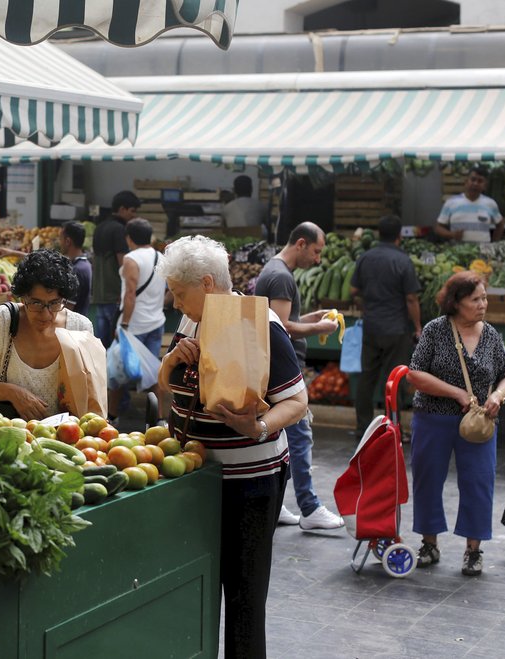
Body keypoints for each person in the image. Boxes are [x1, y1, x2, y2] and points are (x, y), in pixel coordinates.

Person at [158, 235, 307, 659]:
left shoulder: (261, 325)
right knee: (197, 585)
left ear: (207, 283)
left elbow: (297, 402)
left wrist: (257, 426)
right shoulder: (190, 322)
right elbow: (166, 389)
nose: (174, 302)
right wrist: (170, 362)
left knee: (243, 596)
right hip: (194, 478)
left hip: (251, 485)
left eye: (179, 292)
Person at [406, 271, 505, 576]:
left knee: (479, 483)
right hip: (433, 418)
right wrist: (455, 392)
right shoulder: (435, 330)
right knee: (428, 480)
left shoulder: (491, 335)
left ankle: (473, 550)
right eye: (475, 299)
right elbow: (415, 373)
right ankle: (429, 543)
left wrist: (497, 395)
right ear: (456, 303)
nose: (483, 304)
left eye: (484, 298)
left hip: (479, 421)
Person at [254, 222, 343, 530]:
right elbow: (282, 328)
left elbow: (283, 321)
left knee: (283, 437)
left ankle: (276, 505)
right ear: (301, 243)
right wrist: (320, 329)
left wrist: (308, 318)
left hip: (274, 370)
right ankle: (309, 508)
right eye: (316, 251)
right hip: (283, 372)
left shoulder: (275, 272)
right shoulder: (280, 276)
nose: (318, 259)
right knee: (299, 435)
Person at [0, 250, 94, 420]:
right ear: (22, 298)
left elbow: (90, 393)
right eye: (36, 303)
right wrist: (12, 392)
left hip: (61, 437)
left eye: (54, 303)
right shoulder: (3, 321)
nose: (46, 314)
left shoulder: (80, 329)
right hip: (4, 435)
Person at [350, 215, 423, 438]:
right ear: (399, 236)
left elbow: (353, 292)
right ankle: (393, 429)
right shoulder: (403, 261)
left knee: (366, 378)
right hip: (396, 329)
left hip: (371, 327)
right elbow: (411, 298)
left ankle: (363, 427)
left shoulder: (365, 257)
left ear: (379, 233)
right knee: (394, 380)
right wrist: (418, 326)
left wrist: (367, 307)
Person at [108, 218, 167, 422]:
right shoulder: (162, 257)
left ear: (129, 238)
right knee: (151, 371)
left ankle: (112, 416)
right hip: (156, 323)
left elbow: (130, 294)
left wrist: (124, 324)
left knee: (116, 372)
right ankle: (157, 418)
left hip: (134, 325)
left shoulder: (131, 259)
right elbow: (168, 292)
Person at [91, 191, 140, 348]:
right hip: (114, 296)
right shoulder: (120, 229)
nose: (134, 215)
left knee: (100, 345)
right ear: (122, 209)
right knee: (115, 346)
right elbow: (123, 264)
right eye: (132, 211)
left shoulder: (99, 227)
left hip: (100, 295)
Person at [434, 166, 504, 243]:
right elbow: (438, 228)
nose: (475, 183)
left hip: (483, 252)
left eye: (480, 181)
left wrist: (493, 244)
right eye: (473, 179)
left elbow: (500, 226)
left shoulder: (491, 203)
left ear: (485, 186)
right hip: (457, 251)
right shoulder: (451, 202)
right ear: (466, 182)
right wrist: (452, 234)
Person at [60, 221, 91, 317]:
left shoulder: (77, 270)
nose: (59, 243)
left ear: (68, 241)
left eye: (60, 239)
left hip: (72, 328)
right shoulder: (85, 264)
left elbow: (67, 308)